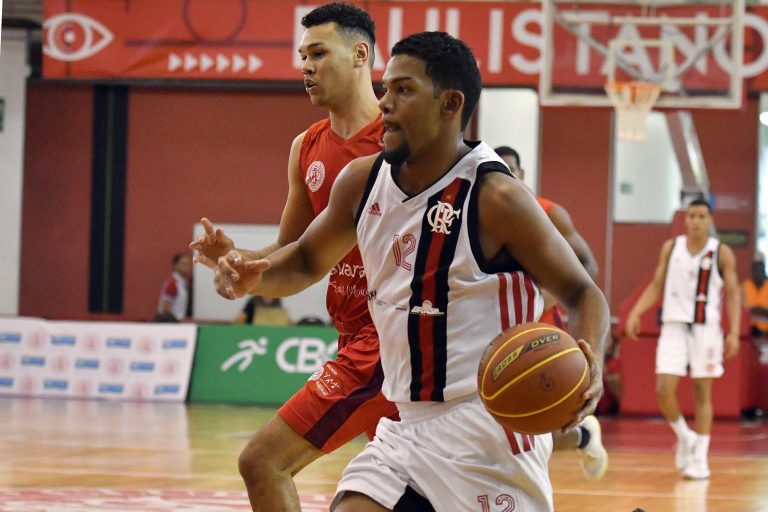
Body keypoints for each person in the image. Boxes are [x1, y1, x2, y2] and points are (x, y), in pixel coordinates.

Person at [214, 31, 609, 511]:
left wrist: (589, 360)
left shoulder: (497, 198)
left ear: (450, 104)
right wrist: (255, 275)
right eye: (385, 89)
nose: (385, 102)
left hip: (486, 429)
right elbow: (304, 261)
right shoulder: (362, 181)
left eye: (403, 90)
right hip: (406, 425)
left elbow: (583, 292)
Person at [190, 4, 399, 511]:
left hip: (390, 339)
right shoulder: (306, 147)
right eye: (303, 56)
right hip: (355, 336)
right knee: (407, 493)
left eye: (318, 53)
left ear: (361, 55)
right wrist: (236, 263)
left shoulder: (402, 140)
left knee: (263, 462)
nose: (305, 66)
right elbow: (295, 253)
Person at [495, 145, 607, 481]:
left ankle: (580, 436)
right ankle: (583, 436)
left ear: (522, 174)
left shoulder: (549, 212)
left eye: (511, 169)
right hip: (497, 322)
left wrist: (544, 299)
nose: (505, 176)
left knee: (534, 419)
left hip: (541, 324)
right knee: (502, 420)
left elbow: (587, 267)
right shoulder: (479, 213)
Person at [626, 198, 741, 480]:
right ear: (685, 219)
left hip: (706, 329)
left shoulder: (721, 252)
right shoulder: (671, 247)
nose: (696, 221)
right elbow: (657, 285)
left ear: (710, 220)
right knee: (663, 389)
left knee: (702, 393)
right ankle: (685, 436)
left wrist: (735, 331)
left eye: (702, 216)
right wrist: (636, 312)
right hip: (673, 325)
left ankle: (700, 458)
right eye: (692, 216)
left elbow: (733, 293)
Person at [155, 252, 192, 322]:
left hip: (178, 322)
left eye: (188, 264)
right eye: (183, 264)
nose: (186, 267)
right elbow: (166, 308)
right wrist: (175, 321)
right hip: (170, 323)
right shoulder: (172, 283)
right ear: (175, 265)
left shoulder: (182, 284)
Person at [742, 257, 768, 338]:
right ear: (752, 272)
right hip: (748, 331)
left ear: (764, 272)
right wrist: (754, 310)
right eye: (756, 271)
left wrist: (763, 310)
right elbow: (741, 310)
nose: (759, 274)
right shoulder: (744, 287)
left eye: (761, 271)